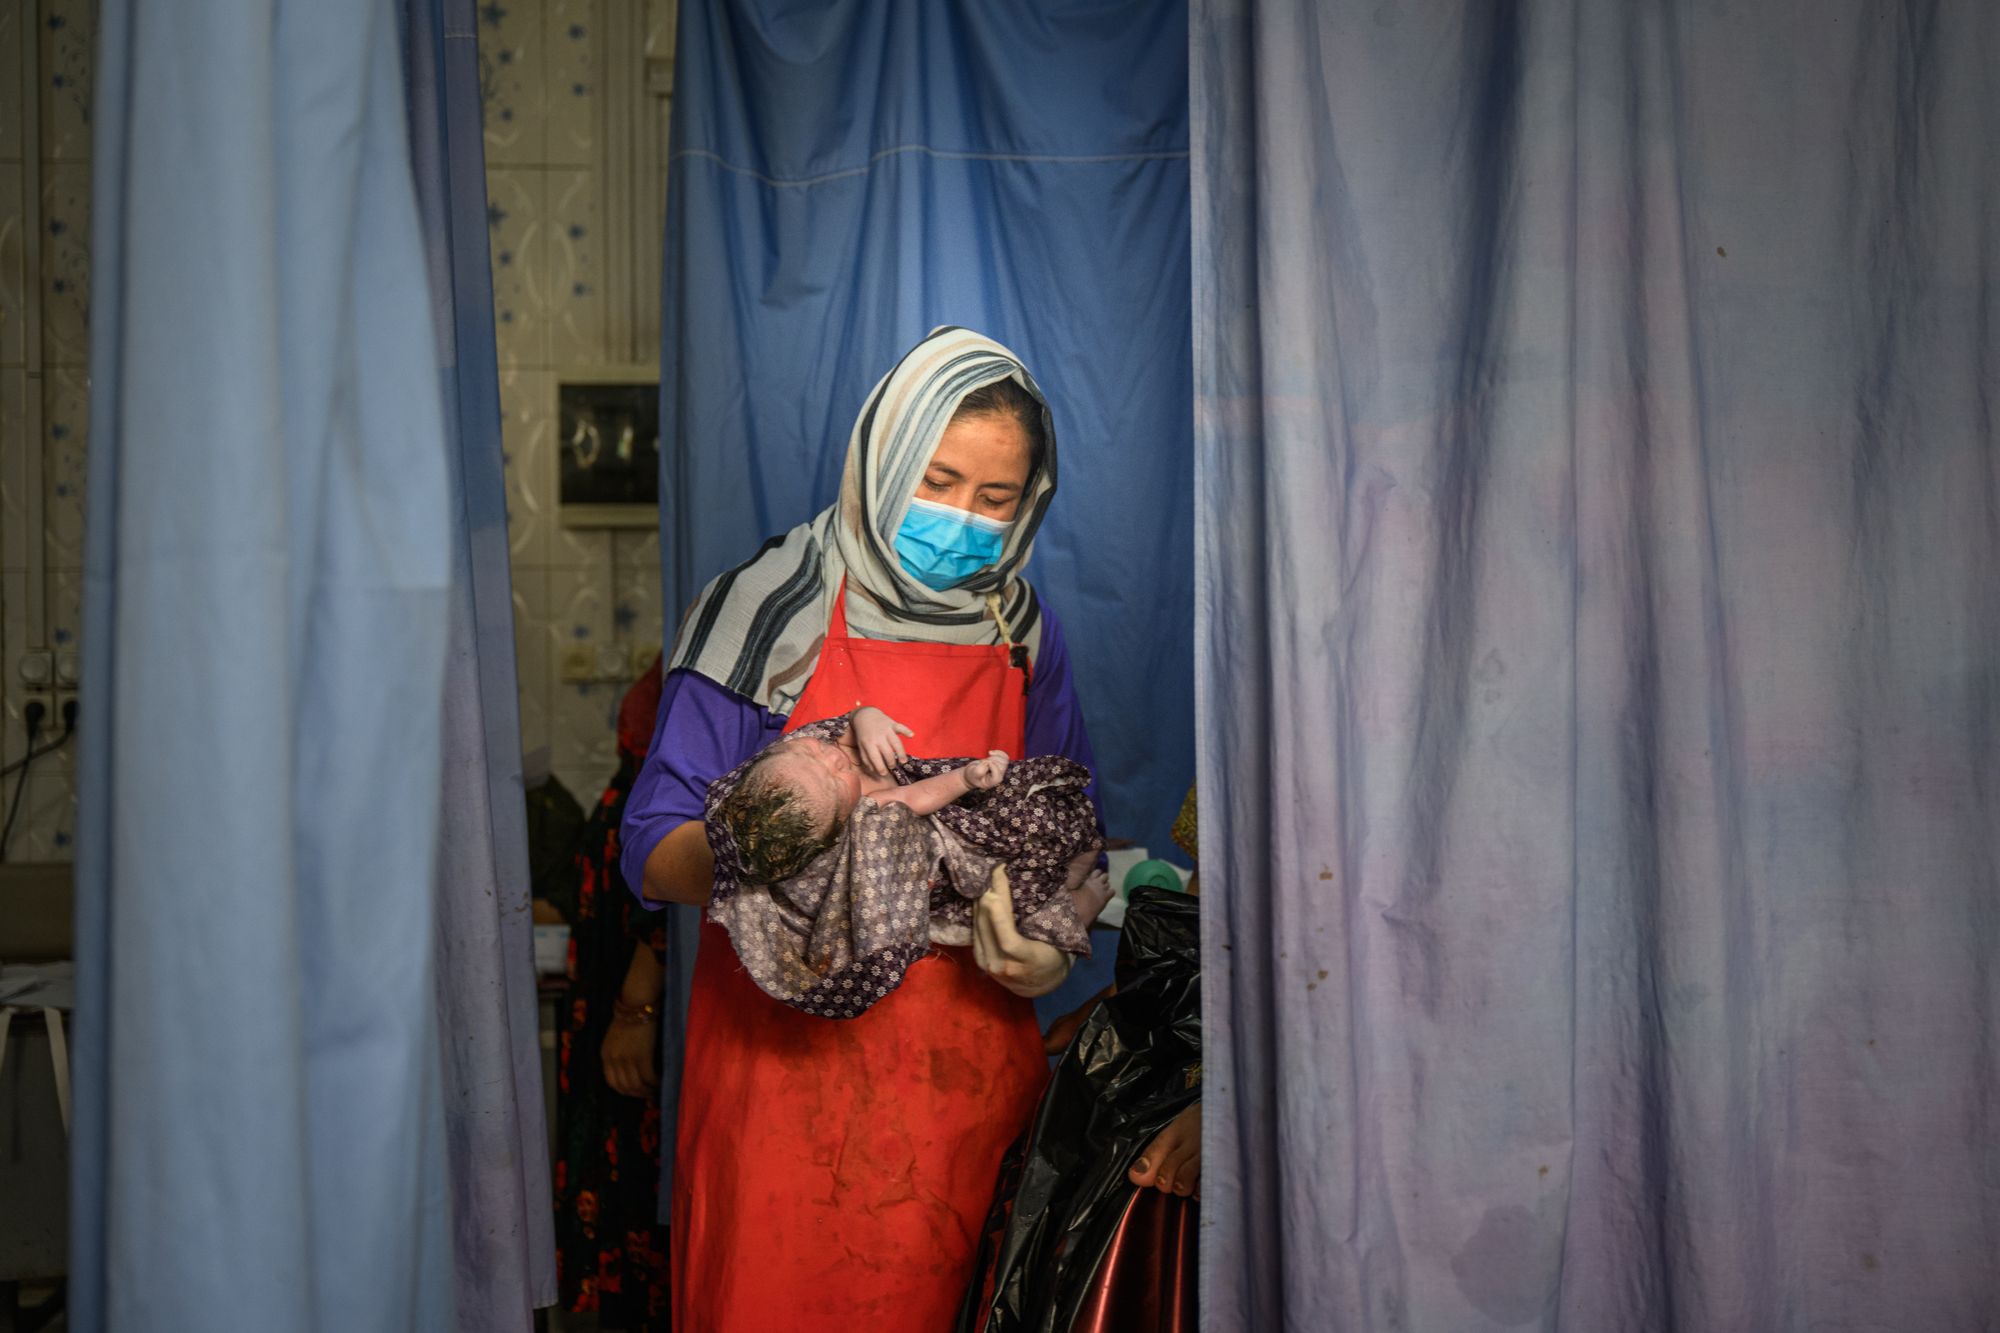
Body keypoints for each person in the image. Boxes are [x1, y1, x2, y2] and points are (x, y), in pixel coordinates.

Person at [619, 328, 1102, 1330]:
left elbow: (1067, 826)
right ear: (883, 459)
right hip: (783, 1086)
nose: (962, 519)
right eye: (937, 481)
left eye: (995, 497)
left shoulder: (1020, 630)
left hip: (966, 1088)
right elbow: (653, 850)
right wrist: (787, 854)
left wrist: (1050, 940)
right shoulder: (769, 607)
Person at [706, 704, 1107, 1018]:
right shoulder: (864, 823)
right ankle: (1067, 910)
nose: (832, 758)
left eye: (809, 751)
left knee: (1080, 832)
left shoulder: (796, 757)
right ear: (837, 827)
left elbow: (839, 732)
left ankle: (1068, 881)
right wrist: (966, 779)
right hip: (946, 870)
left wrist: (865, 717)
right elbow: (915, 797)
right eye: (834, 780)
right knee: (1022, 882)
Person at [550, 661, 671, 1330]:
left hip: (641, 996)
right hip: (612, 981)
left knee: (643, 1182)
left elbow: (685, 881)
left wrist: (637, 1007)